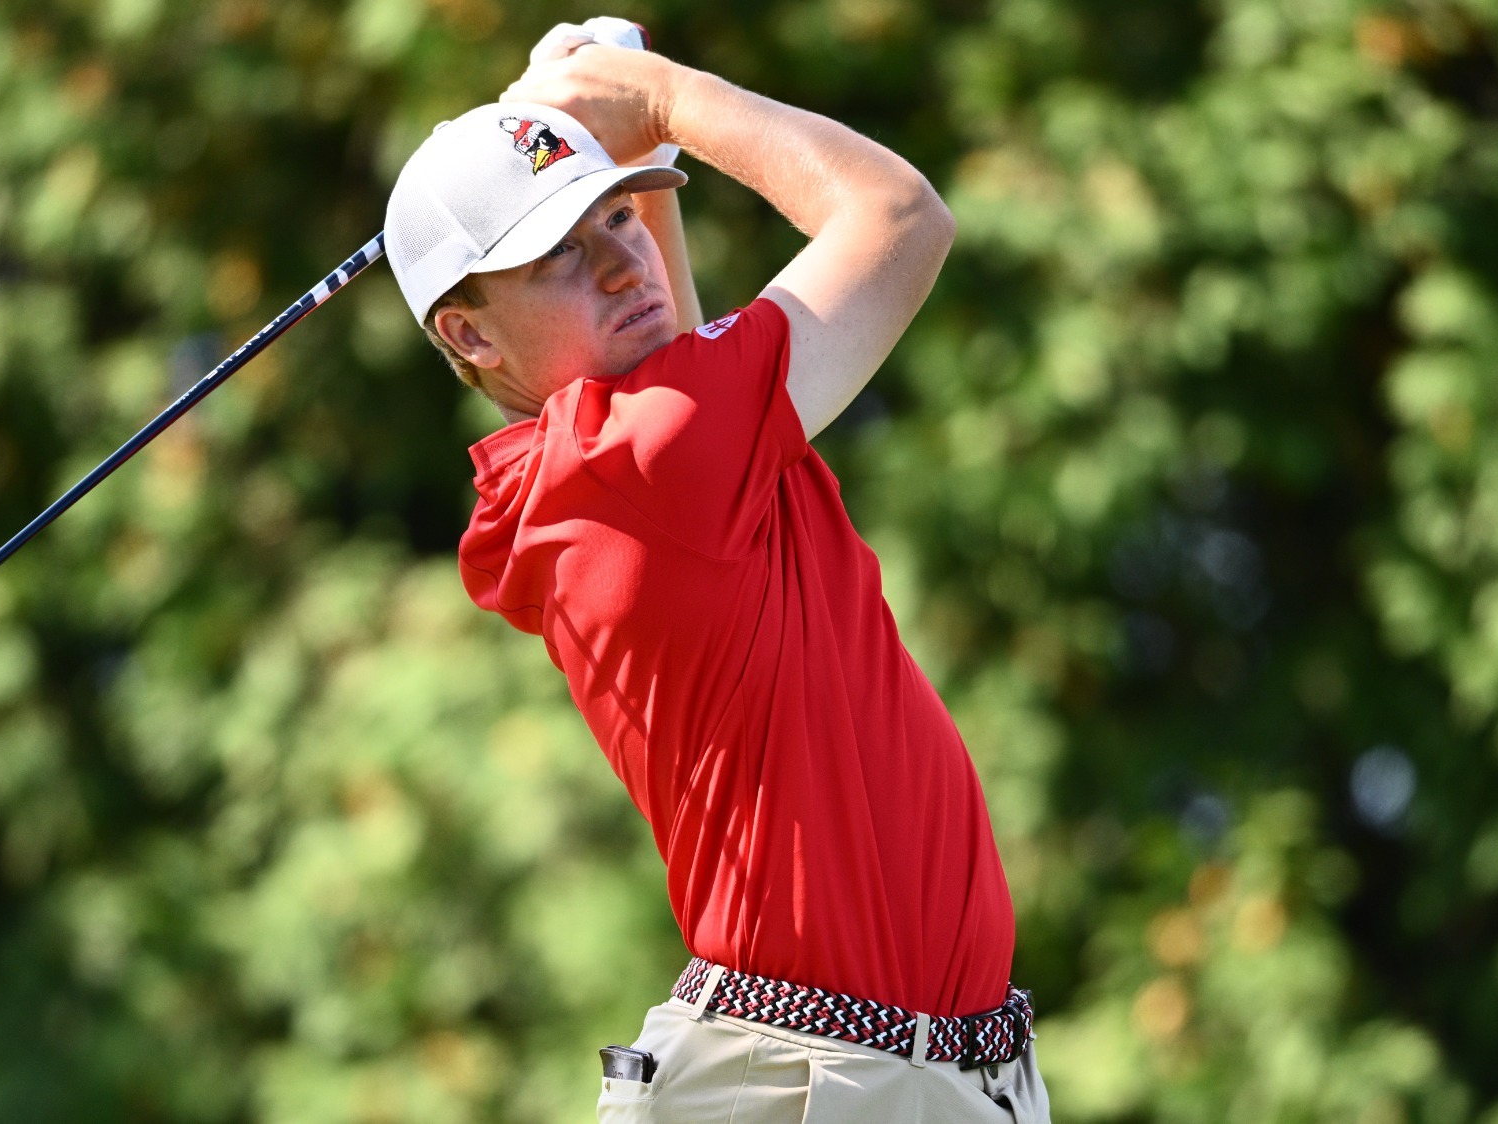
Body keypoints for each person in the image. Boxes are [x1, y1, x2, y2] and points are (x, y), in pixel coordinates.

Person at [381, 25, 1050, 1124]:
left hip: (887, 1076)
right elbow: (900, 218)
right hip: (817, 1081)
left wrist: (619, 129)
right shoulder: (640, 454)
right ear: (471, 334)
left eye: (617, 213)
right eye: (558, 253)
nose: (620, 259)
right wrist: (655, 93)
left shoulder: (617, 461)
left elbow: (670, 345)